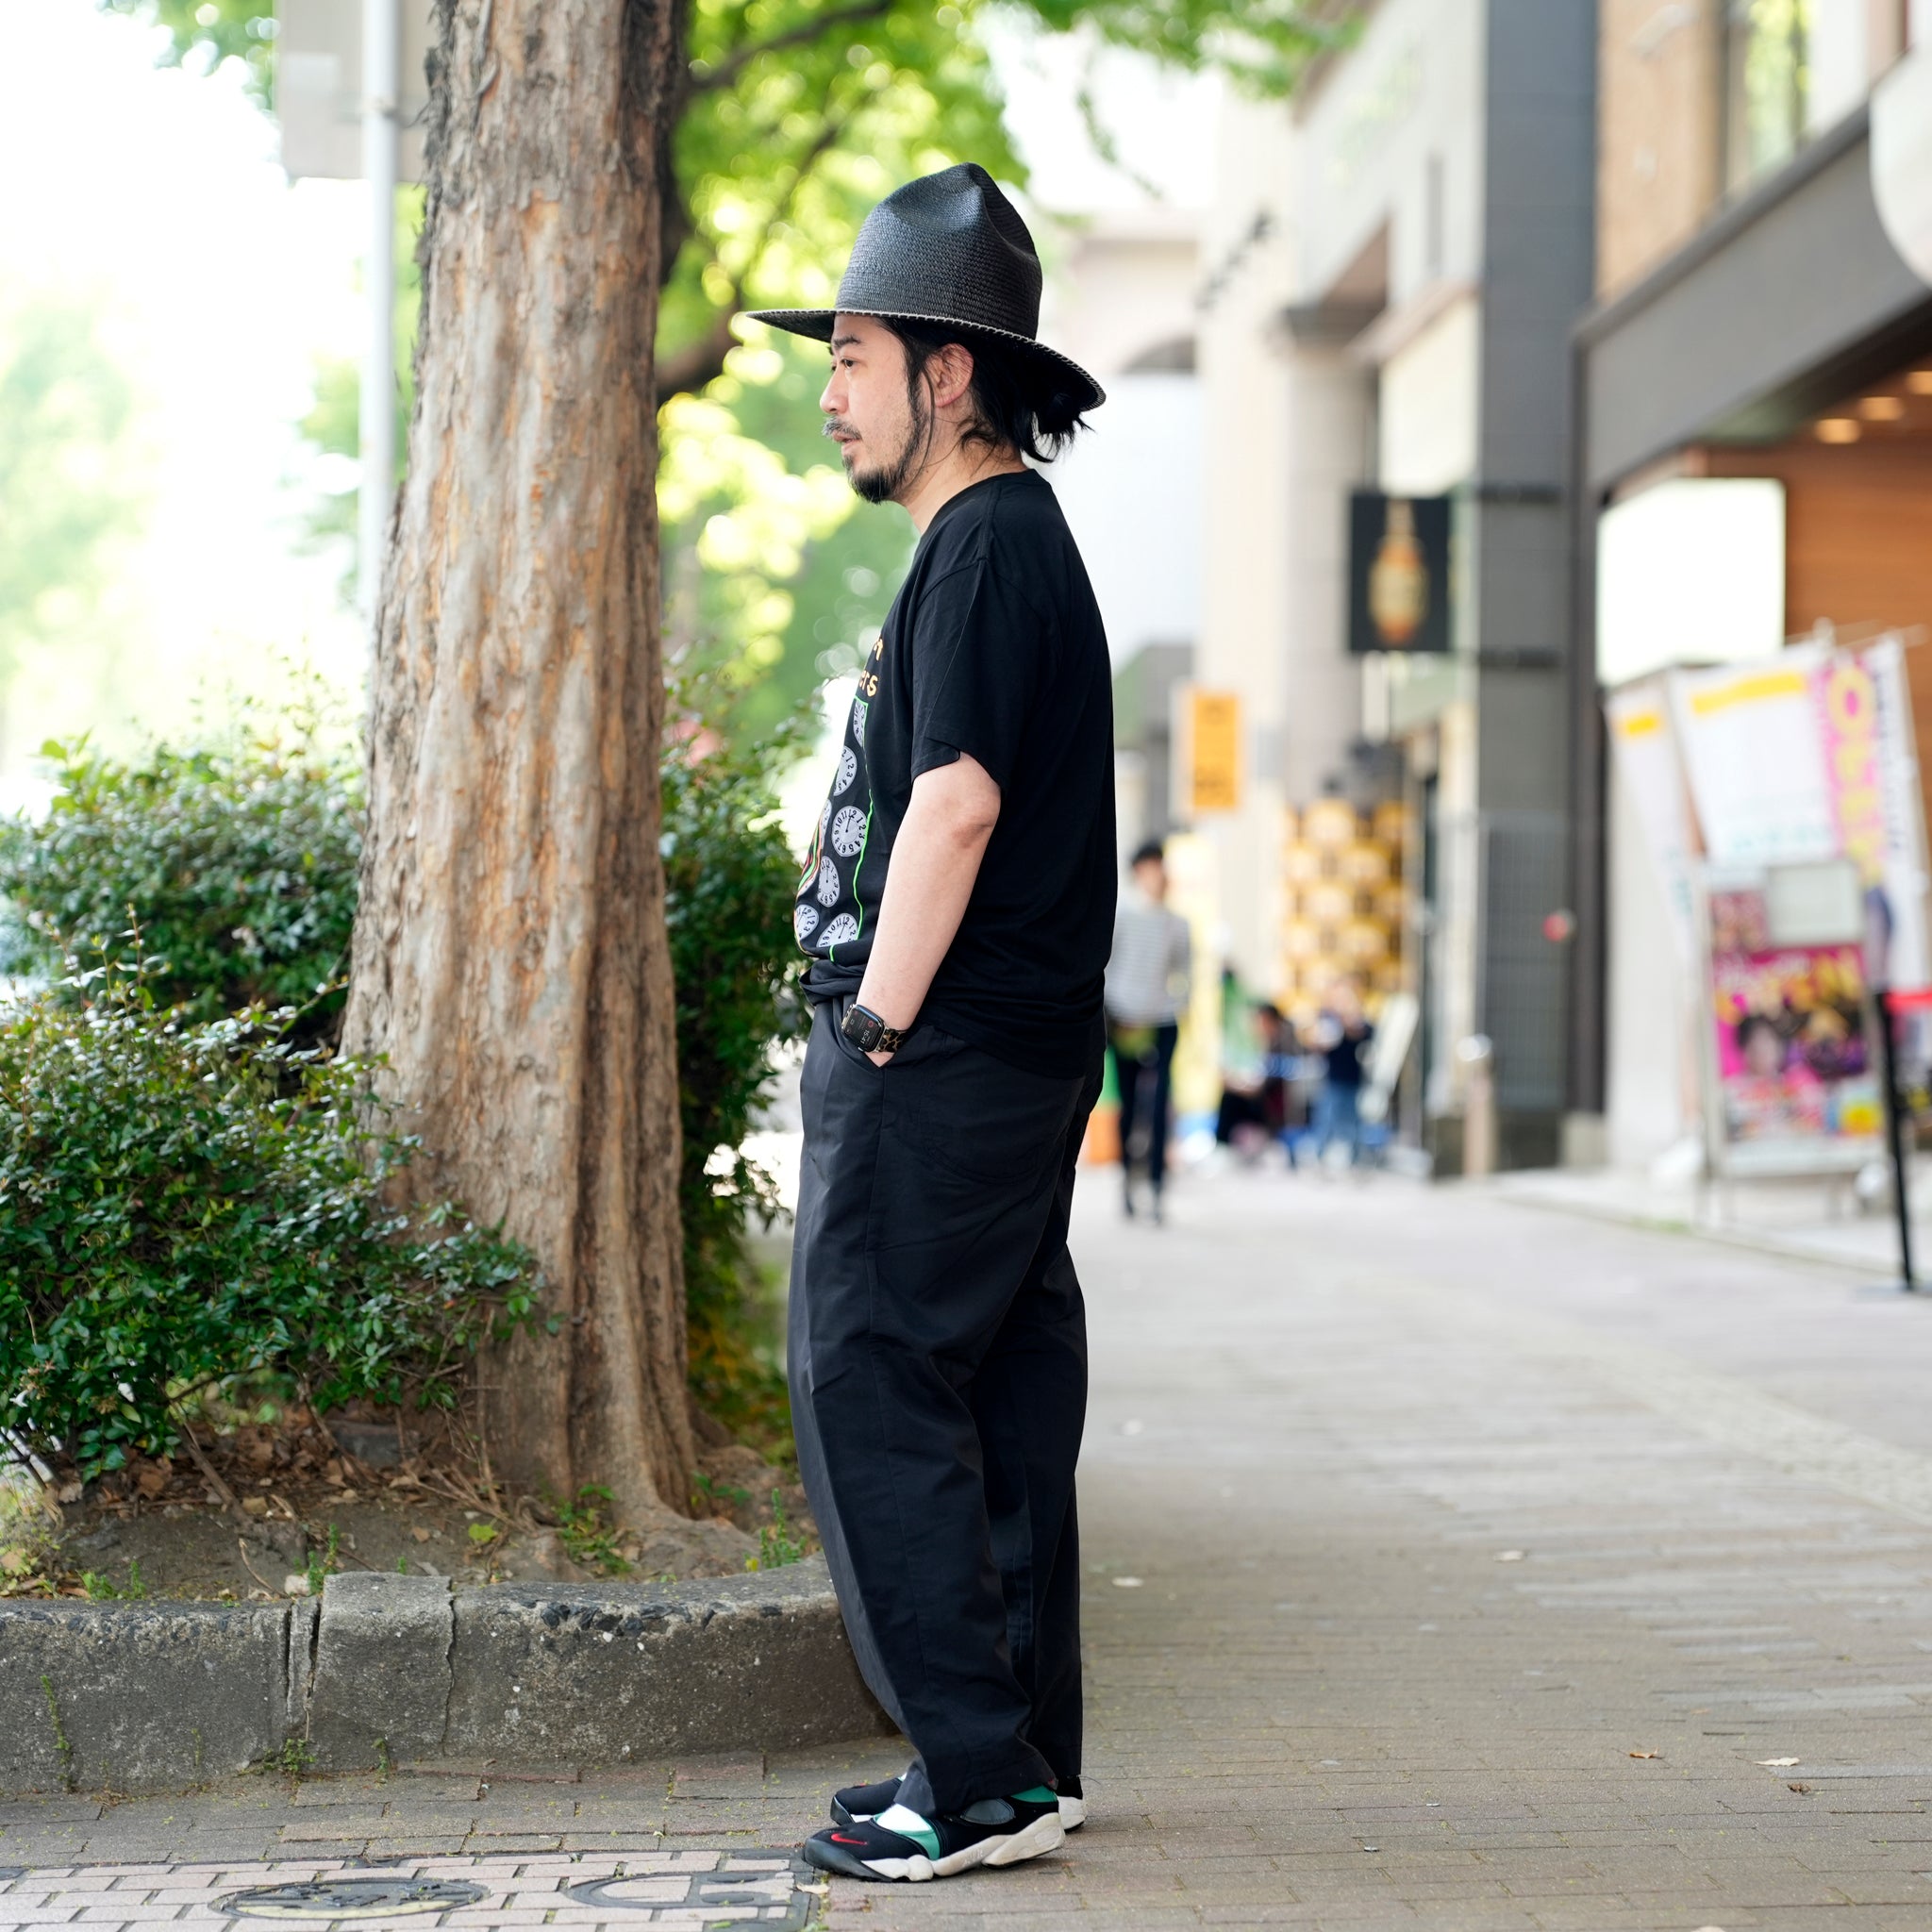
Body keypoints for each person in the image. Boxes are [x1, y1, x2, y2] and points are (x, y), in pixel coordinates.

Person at [743, 163, 1114, 1885]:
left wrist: (876, 1026)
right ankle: (1024, 1759)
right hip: (1015, 1050)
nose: (829, 391)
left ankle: (968, 1777)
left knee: (874, 1373)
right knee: (1001, 1384)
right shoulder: (1016, 542)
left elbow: (953, 805)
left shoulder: (977, 549)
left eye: (853, 356)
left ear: (946, 373)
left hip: (945, 1048)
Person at [1104, 841, 1191, 1222]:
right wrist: (1115, 1008)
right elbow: (1107, 965)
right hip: (1124, 1018)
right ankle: (1127, 1179)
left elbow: (1185, 972)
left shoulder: (1177, 922)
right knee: (1127, 1104)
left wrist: (1176, 1004)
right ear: (1140, 870)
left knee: (1160, 1105)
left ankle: (1156, 1186)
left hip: (1163, 1021)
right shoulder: (1122, 914)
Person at [1311, 977, 1374, 1168]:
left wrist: (1351, 1026)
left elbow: (1368, 1036)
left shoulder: (1359, 1020)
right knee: (1327, 1119)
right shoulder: (1327, 1019)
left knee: (1353, 1121)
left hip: (1353, 1078)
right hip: (1333, 1078)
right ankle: (1320, 1157)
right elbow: (1318, 1043)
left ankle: (1355, 1159)